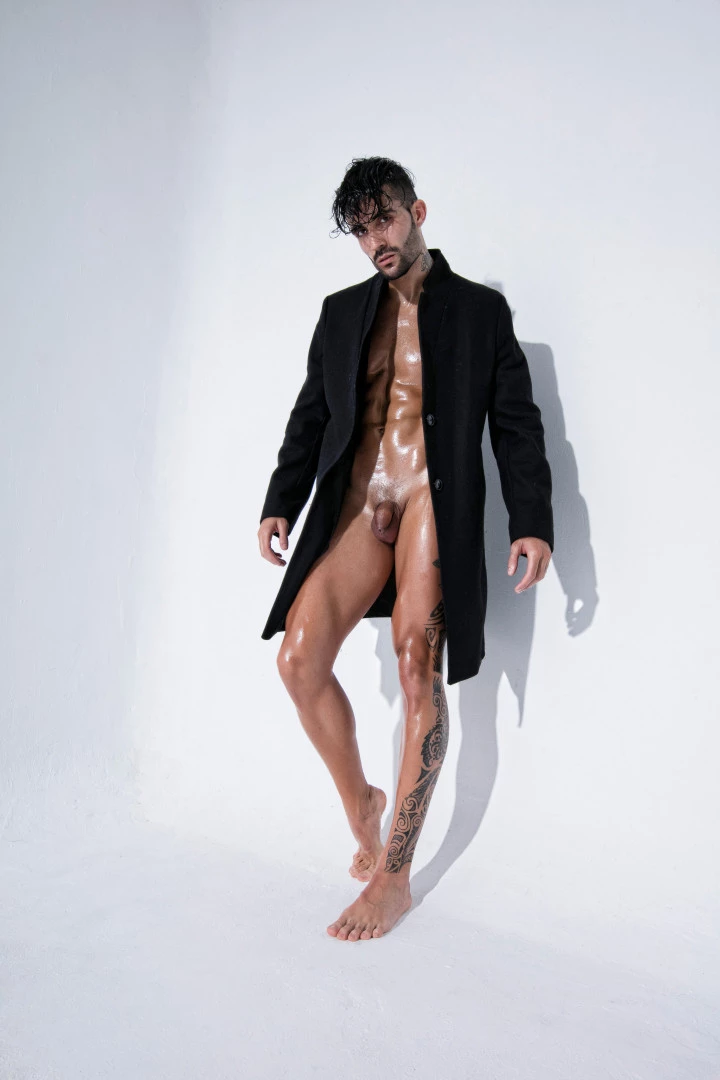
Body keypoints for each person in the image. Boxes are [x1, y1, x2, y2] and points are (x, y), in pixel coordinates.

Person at [258, 157, 553, 941]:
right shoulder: (341, 312)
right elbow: (311, 416)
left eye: (384, 220)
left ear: (416, 211)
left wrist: (532, 519)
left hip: (431, 499)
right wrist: (280, 501)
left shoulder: (480, 311)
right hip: (363, 501)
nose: (375, 240)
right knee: (298, 660)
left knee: (417, 666)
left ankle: (394, 876)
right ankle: (361, 800)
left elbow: (516, 424)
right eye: (360, 231)